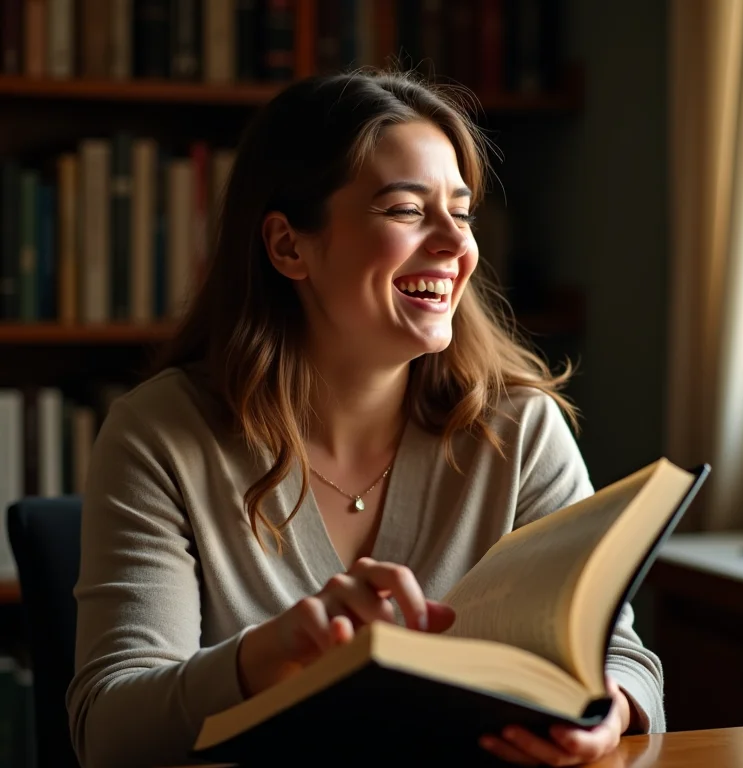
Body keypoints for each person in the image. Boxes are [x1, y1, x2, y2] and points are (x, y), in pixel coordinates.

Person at [66, 70, 664, 768]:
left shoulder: (519, 430)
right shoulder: (159, 436)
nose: (454, 244)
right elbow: (108, 730)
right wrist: (271, 655)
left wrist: (607, 710)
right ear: (290, 247)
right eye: (407, 211)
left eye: (462, 213)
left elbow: (622, 656)